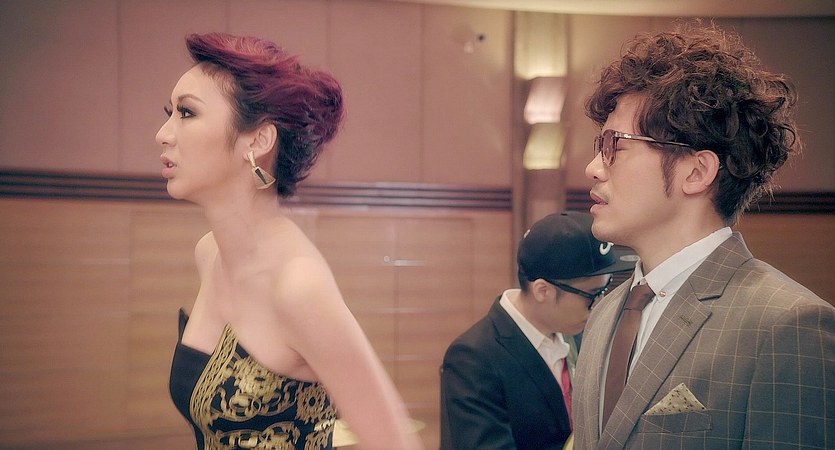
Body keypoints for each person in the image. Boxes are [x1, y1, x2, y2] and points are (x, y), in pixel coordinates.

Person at [573, 22, 835, 449]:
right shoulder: (605, 314)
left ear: (696, 172)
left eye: (614, 145)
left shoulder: (786, 326)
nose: (593, 168)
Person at [158, 32, 423, 450]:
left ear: (258, 141)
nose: (163, 133)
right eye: (169, 113)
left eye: (186, 113)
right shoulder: (209, 253)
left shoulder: (297, 286)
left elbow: (396, 443)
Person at [440, 211, 637, 450]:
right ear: (543, 291)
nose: (599, 305)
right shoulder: (473, 358)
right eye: (592, 295)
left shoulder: (577, 331)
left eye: (605, 290)